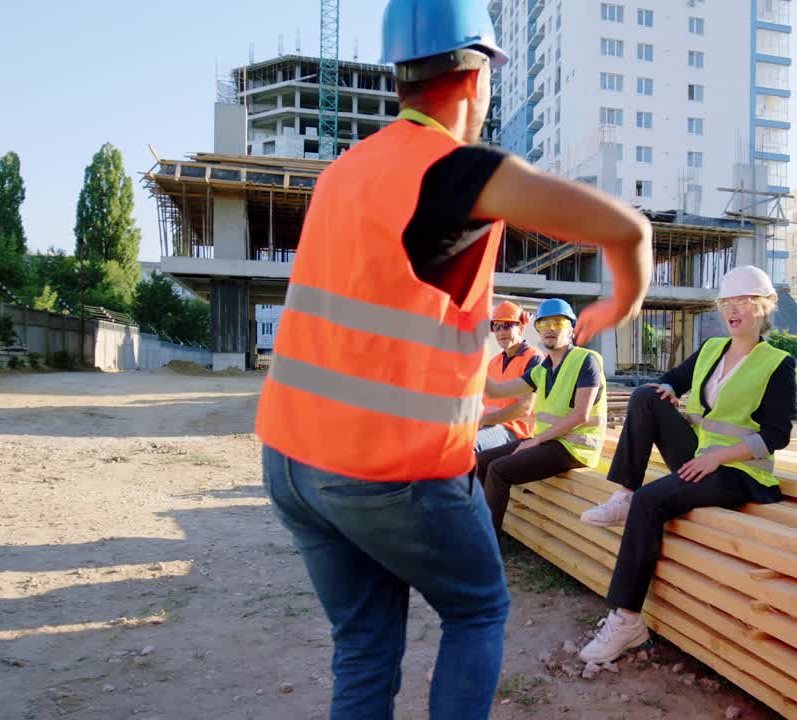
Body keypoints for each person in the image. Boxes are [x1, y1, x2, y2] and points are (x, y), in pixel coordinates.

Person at [253, 0, 653, 715]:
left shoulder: (347, 170)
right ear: (478, 79)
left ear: (400, 76)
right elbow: (626, 228)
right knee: (476, 611)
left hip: (290, 460)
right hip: (386, 470)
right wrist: (621, 295)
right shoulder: (453, 171)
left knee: (364, 645)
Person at [575, 266, 796, 664]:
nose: (732, 310)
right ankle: (623, 494)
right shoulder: (712, 349)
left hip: (740, 472)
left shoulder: (777, 364)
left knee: (651, 502)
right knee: (645, 395)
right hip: (700, 457)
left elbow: (776, 436)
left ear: (764, 307)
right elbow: (672, 380)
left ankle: (627, 621)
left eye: (743, 301)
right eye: (727, 302)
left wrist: (717, 458)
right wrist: (668, 391)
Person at [478, 298, 608, 532]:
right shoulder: (543, 369)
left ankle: (485, 546)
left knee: (498, 470)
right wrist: (470, 359)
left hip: (574, 448)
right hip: (549, 442)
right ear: (537, 329)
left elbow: (580, 414)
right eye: (544, 324)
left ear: (571, 328)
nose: (550, 328)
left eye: (558, 323)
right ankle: (477, 529)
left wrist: (535, 441)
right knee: (481, 461)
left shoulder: (586, 360)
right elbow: (495, 391)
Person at [475, 301, 542, 453]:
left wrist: (486, 420)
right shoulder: (494, 362)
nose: (501, 332)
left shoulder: (534, 359)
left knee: (469, 446)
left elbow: (525, 408)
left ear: (521, 328)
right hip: (489, 427)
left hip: (517, 431)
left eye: (507, 326)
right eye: (497, 327)